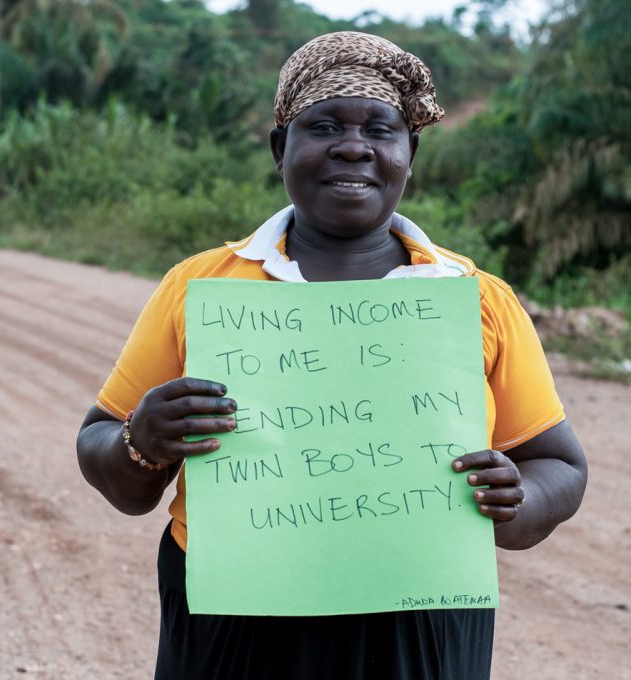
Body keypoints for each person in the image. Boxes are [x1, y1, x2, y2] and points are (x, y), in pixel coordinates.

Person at [76, 31, 587, 680]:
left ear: (411, 152)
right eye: (323, 126)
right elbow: (105, 451)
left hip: (419, 609)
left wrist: (522, 501)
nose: (354, 146)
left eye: (381, 129)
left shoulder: (473, 300)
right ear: (279, 148)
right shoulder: (201, 289)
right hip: (234, 610)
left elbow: (559, 464)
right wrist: (140, 441)